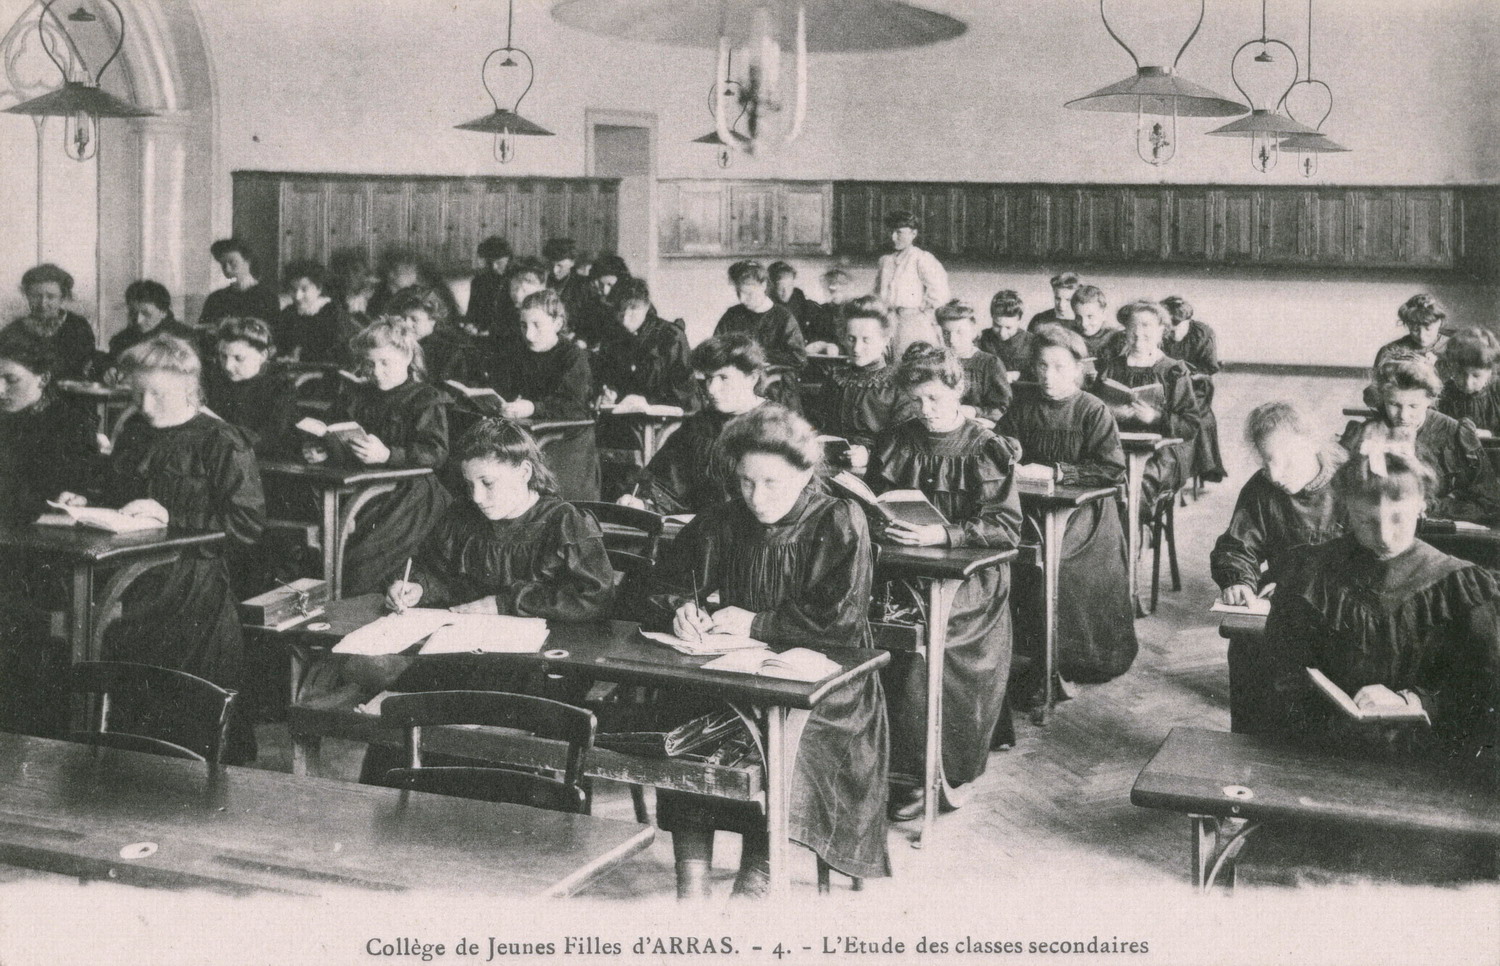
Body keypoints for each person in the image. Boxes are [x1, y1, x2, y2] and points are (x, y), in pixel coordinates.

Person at [641, 405, 890, 895]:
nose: (755, 497)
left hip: (827, 686)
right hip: (738, 670)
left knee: (780, 741)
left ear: (804, 473)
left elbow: (838, 622)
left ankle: (760, 868)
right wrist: (678, 607)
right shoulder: (724, 517)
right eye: (745, 482)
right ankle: (691, 877)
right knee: (682, 725)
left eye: (771, 483)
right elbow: (660, 582)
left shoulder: (839, 518)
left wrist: (757, 621)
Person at [57, 334, 265, 763]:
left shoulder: (221, 440)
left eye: (157, 394)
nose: (145, 405)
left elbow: (246, 527)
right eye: (136, 393)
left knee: (186, 712)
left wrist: (174, 522)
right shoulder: (133, 430)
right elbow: (118, 495)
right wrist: (86, 499)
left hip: (193, 592)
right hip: (129, 583)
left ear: (189, 388)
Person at [1259, 453, 1498, 777]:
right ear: (1346, 510)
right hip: (1322, 757)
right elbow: (1280, 670)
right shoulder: (1310, 575)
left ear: (1423, 505)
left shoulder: (1459, 587)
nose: (1384, 536)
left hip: (1428, 767)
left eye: (1398, 518)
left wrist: (1414, 702)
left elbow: (1482, 692)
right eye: (1365, 520)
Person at [868, 344, 1021, 821]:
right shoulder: (899, 438)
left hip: (969, 579)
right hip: (900, 570)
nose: (925, 410)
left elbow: (1005, 527)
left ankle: (930, 771)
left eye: (935, 398)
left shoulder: (985, 447)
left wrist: (944, 534)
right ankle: (873, 764)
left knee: (925, 646)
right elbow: (874, 500)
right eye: (917, 400)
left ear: (958, 390)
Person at [999, 324, 1137, 696]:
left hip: (1086, 513)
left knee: (1061, 564)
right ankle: (1026, 657)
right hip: (1030, 508)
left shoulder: (1092, 410)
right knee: (1009, 557)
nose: (1048, 375)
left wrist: (1060, 472)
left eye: (1059, 367)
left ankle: (1069, 660)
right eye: (1042, 366)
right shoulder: (1023, 404)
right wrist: (1008, 448)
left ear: (1078, 369)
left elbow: (1111, 469)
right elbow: (1002, 442)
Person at [1210, 402, 1347, 734]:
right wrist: (1240, 579)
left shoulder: (1351, 483)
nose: (1274, 474)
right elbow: (1237, 545)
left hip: (1344, 606)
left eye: (1286, 460)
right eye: (1266, 461)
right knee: (1248, 644)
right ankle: (1251, 747)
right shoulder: (1263, 488)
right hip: (1284, 599)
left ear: (1314, 444)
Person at [304, 318, 451, 595]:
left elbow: (436, 453)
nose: (377, 372)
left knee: (359, 560)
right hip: (363, 487)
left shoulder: (425, 398)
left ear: (407, 357)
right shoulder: (358, 395)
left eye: (385, 363)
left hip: (409, 493)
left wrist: (388, 455)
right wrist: (324, 449)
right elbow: (337, 434)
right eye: (370, 364)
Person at [617, 333, 767, 515]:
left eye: (723, 378)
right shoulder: (698, 425)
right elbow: (666, 483)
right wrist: (641, 502)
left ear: (752, 378)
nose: (711, 389)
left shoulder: (776, 426)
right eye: (708, 378)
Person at [1340, 358, 1500, 526]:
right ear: (1383, 398)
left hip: (1443, 535)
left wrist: (1430, 506)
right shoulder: (1365, 433)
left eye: (1413, 406)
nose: (1403, 415)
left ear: (1430, 400)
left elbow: (1491, 503)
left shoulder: (1456, 435)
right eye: (1394, 404)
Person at [492, 289, 601, 502]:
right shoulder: (517, 353)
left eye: (536, 325)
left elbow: (574, 406)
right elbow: (504, 391)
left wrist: (533, 407)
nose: (529, 334)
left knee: (547, 495)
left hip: (569, 438)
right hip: (529, 432)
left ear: (558, 324)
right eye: (523, 326)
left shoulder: (572, 356)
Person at [1093, 300, 1200, 515]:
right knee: (1098, 482)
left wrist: (1155, 417)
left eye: (1147, 330)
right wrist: (1112, 414)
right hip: (1117, 448)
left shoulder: (1174, 371)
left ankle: (1132, 538)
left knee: (1136, 484)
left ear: (1162, 331)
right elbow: (1092, 411)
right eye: (1133, 331)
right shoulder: (1111, 367)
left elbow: (1191, 424)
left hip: (1161, 452)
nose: (1139, 336)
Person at [0, 333, 99, 526]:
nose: (0, 390)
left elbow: (58, 497)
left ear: (43, 379)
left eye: (11, 379)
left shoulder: (71, 425)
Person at [807, 296, 915, 465]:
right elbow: (817, 423)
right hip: (830, 466)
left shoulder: (899, 384)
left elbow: (905, 441)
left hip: (879, 471)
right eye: (851, 338)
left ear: (885, 340)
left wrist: (870, 454)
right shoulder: (836, 378)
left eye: (866, 340)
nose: (856, 348)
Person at [714, 260, 806, 411]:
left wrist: (756, 357)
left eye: (748, 293)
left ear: (763, 286)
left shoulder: (783, 317)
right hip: (736, 390)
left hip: (776, 393)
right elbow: (716, 349)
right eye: (739, 293)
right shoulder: (732, 315)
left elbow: (799, 358)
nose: (742, 299)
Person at [593, 277, 694, 412]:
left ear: (646, 307)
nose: (625, 316)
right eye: (620, 309)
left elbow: (684, 391)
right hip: (627, 417)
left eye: (633, 308)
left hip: (671, 418)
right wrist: (610, 393)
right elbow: (608, 378)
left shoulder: (670, 336)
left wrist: (647, 401)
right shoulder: (612, 338)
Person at [204, 317, 298, 458]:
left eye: (239, 358)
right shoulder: (212, 381)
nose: (228, 366)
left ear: (262, 356)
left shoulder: (281, 389)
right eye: (223, 356)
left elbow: (265, 442)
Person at [5, 263, 100, 381]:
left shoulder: (78, 326)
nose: (43, 303)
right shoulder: (12, 331)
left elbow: (88, 363)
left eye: (51, 297)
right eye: (36, 296)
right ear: (28, 296)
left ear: (62, 297)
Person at [873, 210, 948, 356]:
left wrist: (922, 315)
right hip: (887, 321)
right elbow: (877, 293)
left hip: (913, 324)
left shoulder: (921, 258)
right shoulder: (885, 261)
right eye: (891, 231)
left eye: (899, 232)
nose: (893, 237)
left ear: (913, 233)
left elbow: (940, 292)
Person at [936, 299, 1011, 426]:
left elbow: (1002, 409)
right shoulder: (937, 362)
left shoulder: (989, 364)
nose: (952, 340)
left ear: (973, 331)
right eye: (946, 333)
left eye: (960, 332)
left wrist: (975, 411)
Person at [392, 284, 476, 386]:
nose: (406, 324)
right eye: (403, 318)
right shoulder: (397, 343)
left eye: (414, 319)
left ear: (433, 319)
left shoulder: (451, 350)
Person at [106, 280, 197, 366]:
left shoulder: (185, 338)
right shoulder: (120, 341)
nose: (138, 320)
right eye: (133, 313)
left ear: (163, 312)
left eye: (146, 314)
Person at [274, 261, 348, 365]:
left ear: (319, 289)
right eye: (293, 289)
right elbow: (279, 344)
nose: (297, 296)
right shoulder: (288, 313)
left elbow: (336, 352)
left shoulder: (332, 312)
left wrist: (300, 353)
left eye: (304, 289)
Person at [199, 239, 280, 333]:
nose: (227, 270)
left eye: (232, 263)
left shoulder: (267, 297)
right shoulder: (215, 298)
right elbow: (201, 330)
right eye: (223, 265)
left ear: (247, 261)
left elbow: (272, 333)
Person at [1436, 328, 1500, 436]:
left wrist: (1489, 433)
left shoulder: (1497, 391)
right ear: (1451, 368)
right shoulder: (1445, 393)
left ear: (1490, 372)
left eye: (1476, 376)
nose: (1467, 383)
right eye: (1460, 373)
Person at [463, 236, 513, 338]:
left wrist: (491, 332)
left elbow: (515, 321)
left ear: (508, 259)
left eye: (499, 262)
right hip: (481, 335)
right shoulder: (478, 282)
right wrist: (469, 325)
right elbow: (471, 314)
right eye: (489, 262)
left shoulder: (515, 282)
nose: (494, 267)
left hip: (507, 336)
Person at [978, 289, 1033, 377]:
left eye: (1008, 327)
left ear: (1019, 320)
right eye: (997, 326)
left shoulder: (1032, 342)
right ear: (992, 317)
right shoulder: (980, 338)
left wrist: (1020, 375)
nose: (1002, 333)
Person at [1070, 284, 1125, 371]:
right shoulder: (1069, 338)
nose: (1084, 324)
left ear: (1104, 314)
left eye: (1090, 316)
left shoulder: (1116, 339)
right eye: (1078, 317)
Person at [804, 267, 853, 355]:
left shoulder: (852, 311)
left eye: (840, 290)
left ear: (846, 288)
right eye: (831, 291)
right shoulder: (821, 311)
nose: (835, 294)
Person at [768, 261, 822, 339]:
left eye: (789, 286)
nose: (785, 292)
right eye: (780, 288)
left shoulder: (806, 306)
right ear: (773, 286)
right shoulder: (766, 306)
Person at [328, 247, 380, 321]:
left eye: (356, 270)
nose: (350, 275)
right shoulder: (335, 301)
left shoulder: (376, 299)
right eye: (345, 271)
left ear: (366, 273)